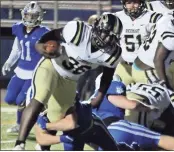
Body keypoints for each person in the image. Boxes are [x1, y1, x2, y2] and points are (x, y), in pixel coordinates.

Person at [13, 14, 123, 150]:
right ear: (97, 28)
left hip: (70, 79)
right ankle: (20, 143)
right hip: (52, 66)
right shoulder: (79, 30)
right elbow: (51, 36)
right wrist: (41, 46)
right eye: (106, 34)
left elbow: (107, 77)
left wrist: (99, 97)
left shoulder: (113, 53)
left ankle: (42, 146)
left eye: (111, 37)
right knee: (40, 97)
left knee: (59, 117)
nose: (107, 39)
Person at [90, 73, 174, 150]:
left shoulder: (90, 101)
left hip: (96, 137)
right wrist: (148, 108)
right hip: (114, 128)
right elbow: (130, 104)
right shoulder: (111, 85)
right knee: (158, 140)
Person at [1, 1, 50, 133]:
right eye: (28, 15)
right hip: (20, 71)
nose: (29, 18)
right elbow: (16, 50)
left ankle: (20, 124)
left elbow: (50, 53)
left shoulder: (44, 32)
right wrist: (8, 62)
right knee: (10, 99)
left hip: (34, 73)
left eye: (33, 16)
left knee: (21, 100)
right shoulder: (18, 28)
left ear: (39, 17)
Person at [132, 3, 174, 92]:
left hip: (141, 64)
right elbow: (158, 60)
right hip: (148, 71)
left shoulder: (166, 18)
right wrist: (165, 84)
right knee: (171, 100)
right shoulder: (172, 39)